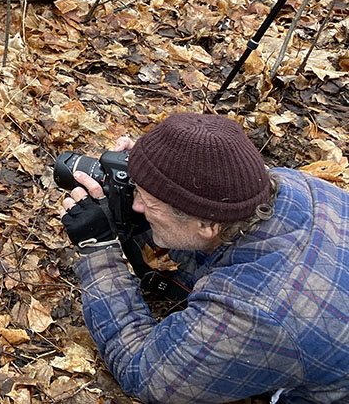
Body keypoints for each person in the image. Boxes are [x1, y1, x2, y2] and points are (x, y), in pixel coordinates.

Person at [58, 112, 349, 404]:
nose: (136, 205)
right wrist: (156, 174)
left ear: (208, 225)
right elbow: (207, 234)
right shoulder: (290, 184)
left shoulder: (253, 312)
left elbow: (145, 374)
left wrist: (98, 247)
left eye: (147, 201)